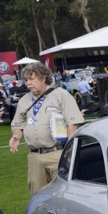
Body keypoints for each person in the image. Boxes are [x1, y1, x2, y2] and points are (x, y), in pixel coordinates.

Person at [9, 62, 85, 196]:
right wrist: (16, 136)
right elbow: (17, 123)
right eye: (26, 80)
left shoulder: (61, 95)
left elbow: (72, 123)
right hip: (34, 156)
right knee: (38, 196)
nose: (28, 83)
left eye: (32, 79)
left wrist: (68, 151)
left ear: (43, 78)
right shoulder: (24, 100)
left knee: (62, 194)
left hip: (58, 153)